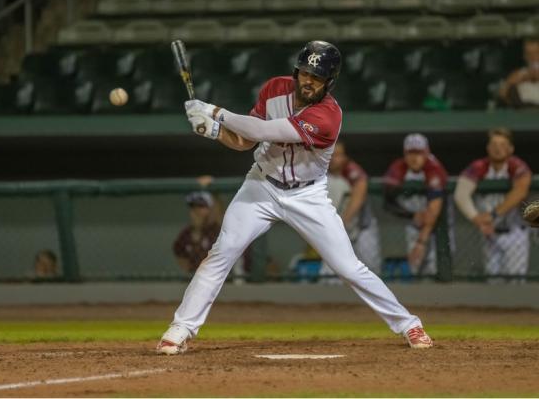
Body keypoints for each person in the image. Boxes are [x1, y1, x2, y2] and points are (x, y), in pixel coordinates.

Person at [156, 41, 433, 355]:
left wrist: (216, 113)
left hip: (308, 195)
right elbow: (245, 140)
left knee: (348, 267)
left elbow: (264, 131)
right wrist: (213, 131)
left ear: (329, 82)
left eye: (317, 77)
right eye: (305, 72)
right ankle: (180, 328)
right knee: (221, 252)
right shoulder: (274, 88)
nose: (308, 80)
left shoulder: (328, 116)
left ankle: (409, 324)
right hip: (261, 185)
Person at [454, 128, 532, 280]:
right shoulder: (479, 166)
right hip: (489, 232)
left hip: (514, 233)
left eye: (503, 144)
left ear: (511, 149)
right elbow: (461, 194)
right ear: (488, 148)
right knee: (492, 282)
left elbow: (521, 190)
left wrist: (493, 215)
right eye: (494, 144)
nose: (498, 148)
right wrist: (477, 219)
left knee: (515, 283)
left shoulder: (517, 165)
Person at [383, 133, 449, 277]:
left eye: (418, 153)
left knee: (437, 267)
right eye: (410, 153)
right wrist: (412, 215)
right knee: (415, 268)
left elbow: (434, 210)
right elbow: (388, 202)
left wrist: (421, 242)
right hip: (414, 223)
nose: (414, 157)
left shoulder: (434, 168)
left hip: (439, 226)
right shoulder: (399, 167)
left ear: (427, 152)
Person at [328, 141, 382, 274]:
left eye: (338, 155)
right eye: (331, 155)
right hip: (337, 231)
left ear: (345, 157)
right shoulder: (320, 173)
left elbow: (359, 193)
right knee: (331, 273)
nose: (334, 159)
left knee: (371, 268)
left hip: (362, 228)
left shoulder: (351, 170)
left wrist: (343, 222)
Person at [498, 39, 539, 108]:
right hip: (525, 112)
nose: (532, 57)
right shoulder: (518, 74)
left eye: (536, 53)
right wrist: (511, 83)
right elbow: (502, 95)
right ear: (524, 56)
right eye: (528, 54)